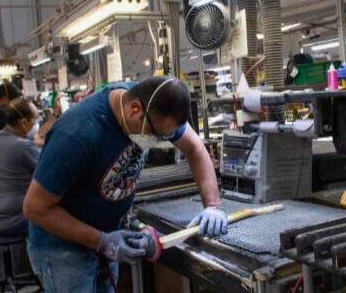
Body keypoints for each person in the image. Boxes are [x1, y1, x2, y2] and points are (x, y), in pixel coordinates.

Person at [23, 77, 226, 292]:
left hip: (109, 238)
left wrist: (213, 205)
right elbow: (35, 208)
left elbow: (195, 148)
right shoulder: (76, 135)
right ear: (135, 110)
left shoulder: (153, 107)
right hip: (63, 249)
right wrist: (102, 241)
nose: (158, 141)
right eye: (156, 135)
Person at [0, 98, 41, 236]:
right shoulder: (22, 147)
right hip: (15, 221)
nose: (37, 125)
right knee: (66, 219)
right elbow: (52, 171)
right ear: (23, 123)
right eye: (35, 122)